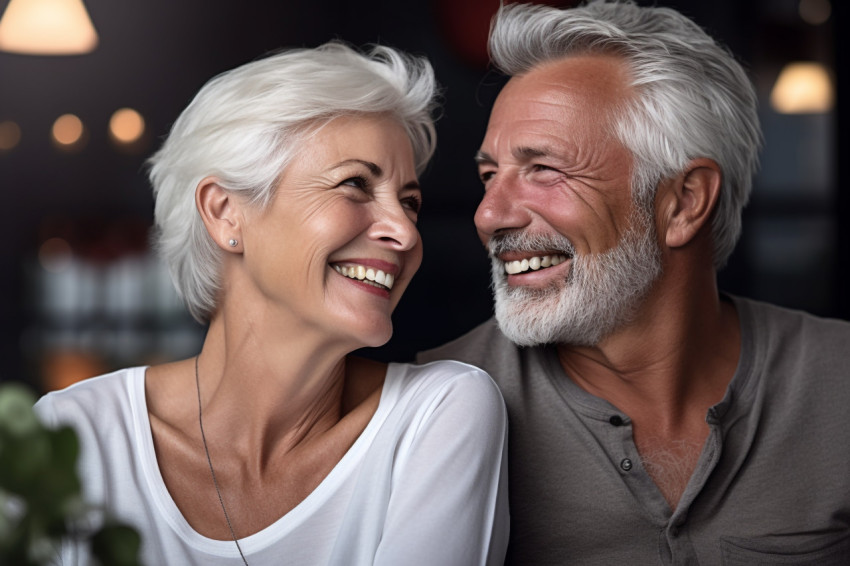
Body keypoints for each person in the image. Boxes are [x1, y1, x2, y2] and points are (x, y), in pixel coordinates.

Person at [34, 42, 509, 565]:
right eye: (355, 184)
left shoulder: (436, 417)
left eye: (410, 202)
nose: (404, 231)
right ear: (226, 214)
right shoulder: (71, 434)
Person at [418, 1, 850, 564]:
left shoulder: (839, 380)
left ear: (682, 203)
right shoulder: (426, 411)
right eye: (488, 176)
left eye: (544, 169)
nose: (488, 215)